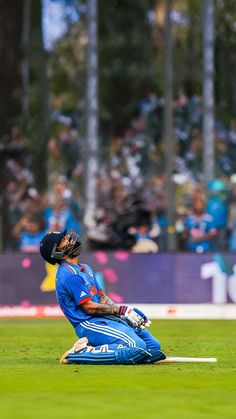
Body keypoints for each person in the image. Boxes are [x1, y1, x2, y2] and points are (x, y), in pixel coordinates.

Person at [39, 230, 165, 365]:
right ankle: (79, 353)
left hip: (104, 319)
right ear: (57, 252)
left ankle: (118, 351)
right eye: (63, 240)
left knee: (153, 347)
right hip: (89, 323)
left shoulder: (85, 268)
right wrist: (121, 310)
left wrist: (125, 315)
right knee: (136, 347)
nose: (69, 238)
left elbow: (102, 297)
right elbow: (89, 308)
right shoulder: (69, 275)